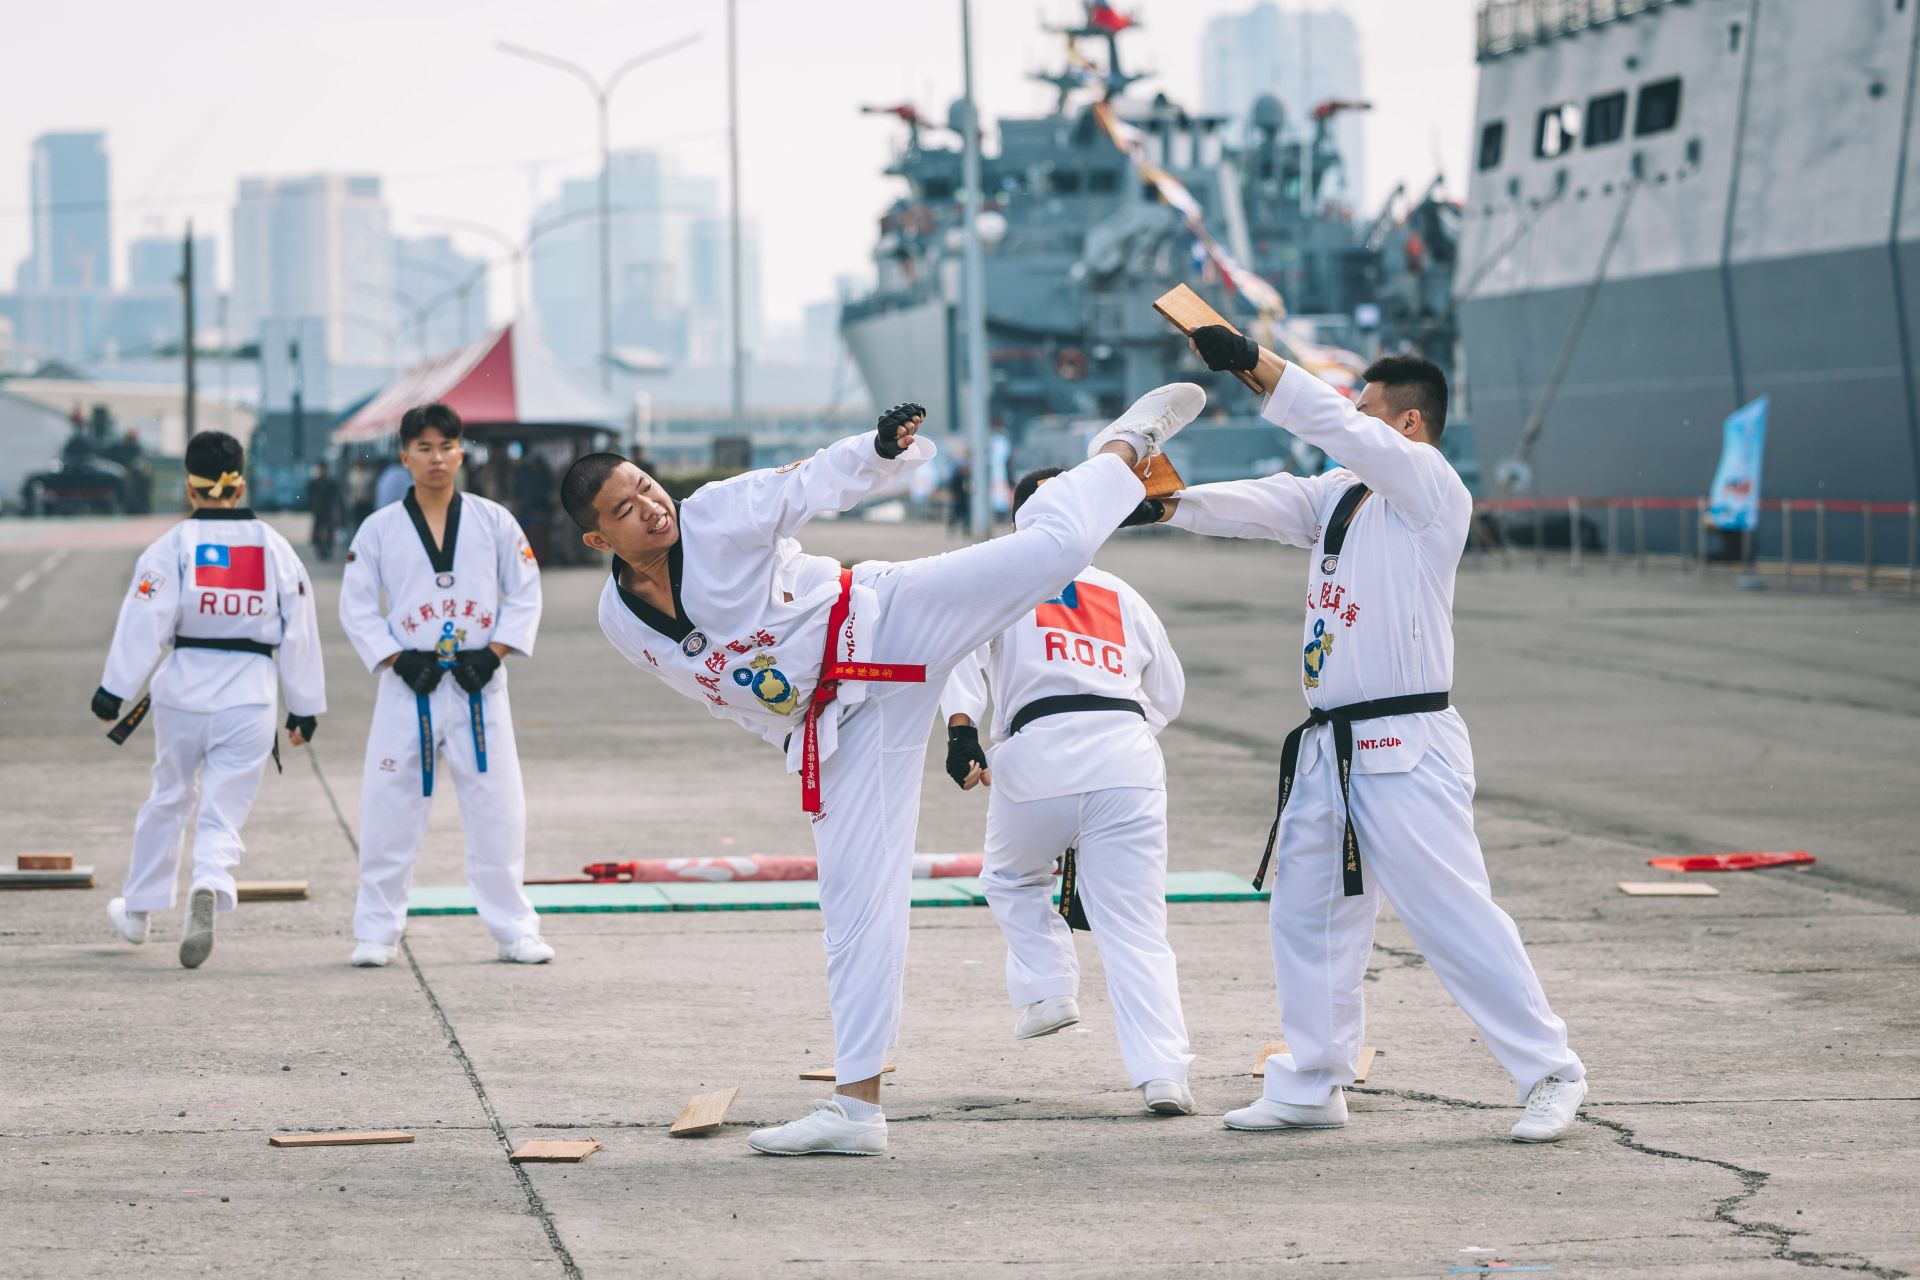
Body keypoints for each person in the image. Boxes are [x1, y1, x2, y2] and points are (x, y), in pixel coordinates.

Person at [560, 384, 1202, 1156]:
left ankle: (1124, 446)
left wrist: (878, 451)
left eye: (647, 486)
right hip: (836, 728)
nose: (652, 507)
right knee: (857, 906)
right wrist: (796, 736)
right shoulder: (618, 621)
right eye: (626, 508)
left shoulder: (716, 514)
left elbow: (803, 483)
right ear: (599, 540)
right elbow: (719, 695)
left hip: (882, 620)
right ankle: (855, 1110)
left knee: (1055, 554)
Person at [1158, 328, 1587, 1143]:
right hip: (1331, 747)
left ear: (1412, 424)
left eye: (1370, 412)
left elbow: (1338, 429)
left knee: (1452, 917)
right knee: (1308, 914)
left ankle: (1551, 1070)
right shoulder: (1341, 496)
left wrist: (1256, 364)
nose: (1354, 423)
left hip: (1408, 743)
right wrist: (1170, 505)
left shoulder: (1429, 490)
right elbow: (1266, 502)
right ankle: (1313, 1081)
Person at [941, 466, 1194, 1115]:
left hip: (1036, 753)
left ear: (1022, 519)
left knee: (1012, 877)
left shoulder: (1004, 580)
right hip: (1126, 754)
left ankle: (1050, 989)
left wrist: (963, 736)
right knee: (1136, 926)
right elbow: (1168, 693)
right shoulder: (1124, 594)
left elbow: (961, 662)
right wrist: (1122, 734)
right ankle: (1164, 1073)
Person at [91, 431, 326, 970]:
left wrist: (114, 689)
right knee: (224, 807)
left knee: (169, 794)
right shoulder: (274, 547)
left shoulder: (171, 546)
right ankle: (211, 879)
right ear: (239, 485)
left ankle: (139, 913)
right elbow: (300, 629)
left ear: (188, 488)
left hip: (181, 695)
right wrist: (305, 707)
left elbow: (144, 616)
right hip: (249, 696)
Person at [338, 403, 550, 968]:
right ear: (405, 455)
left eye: (446, 446)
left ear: (461, 452)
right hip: (410, 683)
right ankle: (377, 930)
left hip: (478, 684)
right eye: (424, 447)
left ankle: (513, 930)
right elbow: (357, 607)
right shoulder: (378, 529)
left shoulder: (494, 521)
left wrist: (496, 651)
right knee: (388, 808)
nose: (436, 458)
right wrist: (395, 659)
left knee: (498, 808)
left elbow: (525, 590)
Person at [307, 461, 343, 561]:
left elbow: (336, 497)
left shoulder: (331, 482)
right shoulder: (315, 482)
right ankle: (321, 549)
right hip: (319, 510)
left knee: (329, 531)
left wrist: (336, 509)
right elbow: (310, 495)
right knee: (318, 531)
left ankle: (328, 549)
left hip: (328, 510)